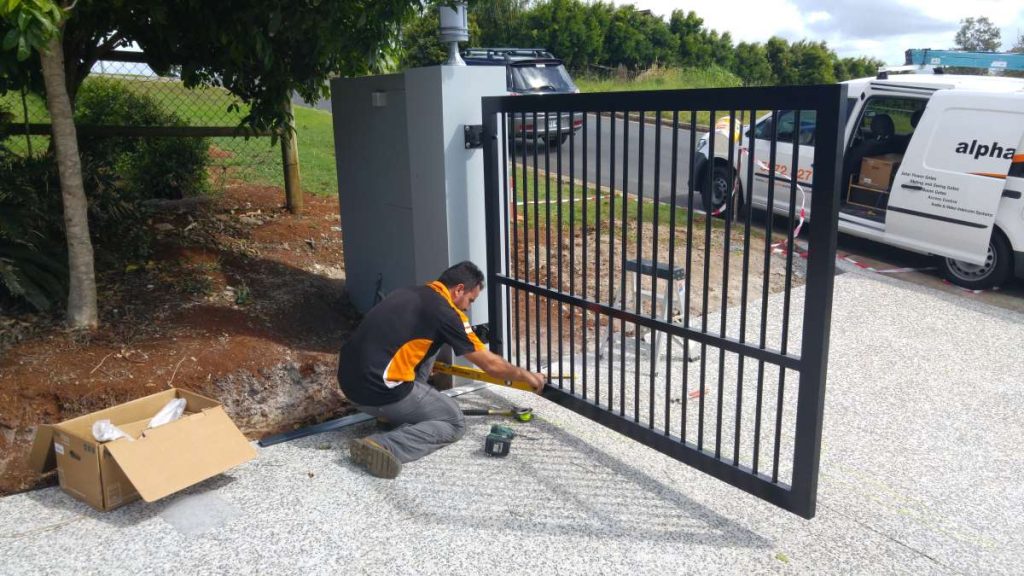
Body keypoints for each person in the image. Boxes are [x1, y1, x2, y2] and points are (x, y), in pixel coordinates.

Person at [337, 261, 546, 478]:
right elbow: (490, 365)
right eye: (470, 300)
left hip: (349, 384)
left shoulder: (407, 293)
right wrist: (527, 376)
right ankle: (383, 445)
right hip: (379, 392)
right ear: (459, 290)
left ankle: (389, 418)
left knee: (432, 342)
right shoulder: (446, 313)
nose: (467, 307)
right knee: (453, 422)